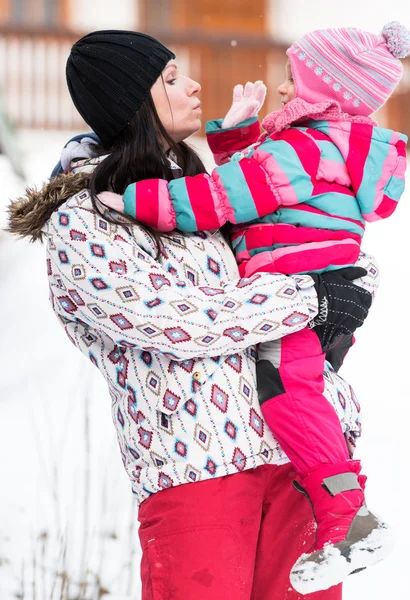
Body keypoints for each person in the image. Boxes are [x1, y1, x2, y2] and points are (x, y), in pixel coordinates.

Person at [8, 30, 374, 599]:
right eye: (171, 79)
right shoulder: (84, 220)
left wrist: (346, 283)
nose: (194, 84)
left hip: (298, 459)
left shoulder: (208, 196)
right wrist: (312, 298)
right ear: (132, 102)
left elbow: (315, 241)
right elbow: (178, 318)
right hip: (198, 470)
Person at [98, 22, 409, 593]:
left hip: (295, 293)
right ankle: (341, 514)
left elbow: (222, 200)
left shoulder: (303, 149)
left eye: (294, 78)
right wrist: (238, 138)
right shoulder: (330, 150)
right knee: (296, 388)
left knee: (290, 391)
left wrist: (136, 200)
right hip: (309, 290)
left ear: (327, 89)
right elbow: (262, 201)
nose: (286, 90)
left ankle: (346, 516)